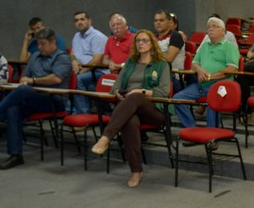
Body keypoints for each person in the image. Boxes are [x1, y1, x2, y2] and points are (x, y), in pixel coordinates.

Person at [0, 28, 72, 169]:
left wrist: (33, 80)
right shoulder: (35, 56)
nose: (39, 47)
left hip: (53, 100)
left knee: (24, 89)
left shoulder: (63, 57)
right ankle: (16, 155)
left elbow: (56, 78)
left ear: (52, 42)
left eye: (43, 44)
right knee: (13, 109)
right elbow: (25, 76)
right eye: (38, 44)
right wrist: (27, 79)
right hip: (32, 98)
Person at [90, 30, 171, 188]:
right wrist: (119, 93)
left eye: (145, 40)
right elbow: (115, 88)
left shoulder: (161, 64)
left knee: (135, 96)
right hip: (129, 108)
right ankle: (136, 170)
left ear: (152, 43)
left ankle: (106, 137)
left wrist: (141, 92)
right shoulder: (130, 64)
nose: (141, 43)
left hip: (154, 110)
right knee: (130, 122)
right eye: (138, 40)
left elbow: (164, 92)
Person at [173, 17, 239, 129]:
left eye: (214, 26)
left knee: (212, 101)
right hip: (202, 84)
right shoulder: (204, 46)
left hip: (220, 85)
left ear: (222, 31)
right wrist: (199, 71)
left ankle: (212, 135)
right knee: (177, 99)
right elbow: (194, 63)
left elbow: (232, 69)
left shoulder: (229, 47)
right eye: (208, 27)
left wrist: (210, 76)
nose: (210, 29)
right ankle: (192, 130)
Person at [70, 11, 109, 114]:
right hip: (84, 69)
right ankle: (71, 111)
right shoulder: (76, 36)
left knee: (78, 79)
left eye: (82, 19)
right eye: (76, 20)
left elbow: (96, 60)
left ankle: (83, 114)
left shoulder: (97, 36)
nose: (79, 22)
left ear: (89, 21)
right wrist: (74, 62)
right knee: (62, 76)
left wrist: (81, 72)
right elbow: (73, 55)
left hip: (98, 71)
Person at [153, 10, 186, 92]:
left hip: (173, 78)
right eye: (156, 20)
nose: (158, 23)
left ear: (169, 22)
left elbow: (168, 58)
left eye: (161, 20)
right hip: (155, 74)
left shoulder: (176, 36)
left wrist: (151, 54)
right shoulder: (153, 38)